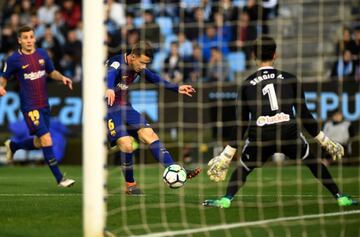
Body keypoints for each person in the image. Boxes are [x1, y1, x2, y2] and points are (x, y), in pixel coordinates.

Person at [203, 36, 358, 208]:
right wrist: (324, 140)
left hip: (262, 135)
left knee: (244, 168)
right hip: (288, 133)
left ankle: (226, 199)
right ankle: (340, 197)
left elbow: (241, 124)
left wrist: (226, 155)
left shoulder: (246, 84)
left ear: (254, 55)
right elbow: (305, 115)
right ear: (275, 55)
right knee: (313, 163)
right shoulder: (290, 79)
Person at [105, 41, 201, 195]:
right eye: (142, 62)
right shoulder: (117, 62)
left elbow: (155, 78)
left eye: (146, 63)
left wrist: (177, 88)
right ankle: (130, 185)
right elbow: (110, 73)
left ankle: (173, 168)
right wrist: (109, 88)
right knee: (127, 145)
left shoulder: (138, 66)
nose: (143, 67)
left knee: (150, 134)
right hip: (106, 107)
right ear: (132, 56)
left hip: (124, 106)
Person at [0, 25, 75, 187]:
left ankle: (13, 145)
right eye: (25, 38)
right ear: (19, 40)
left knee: (40, 142)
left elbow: (51, 71)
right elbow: (4, 77)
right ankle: (60, 179)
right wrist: (1, 87)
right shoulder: (13, 59)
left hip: (44, 105)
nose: (28, 40)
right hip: (29, 106)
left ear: (35, 38)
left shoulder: (42, 54)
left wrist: (62, 77)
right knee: (47, 139)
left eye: (31, 37)